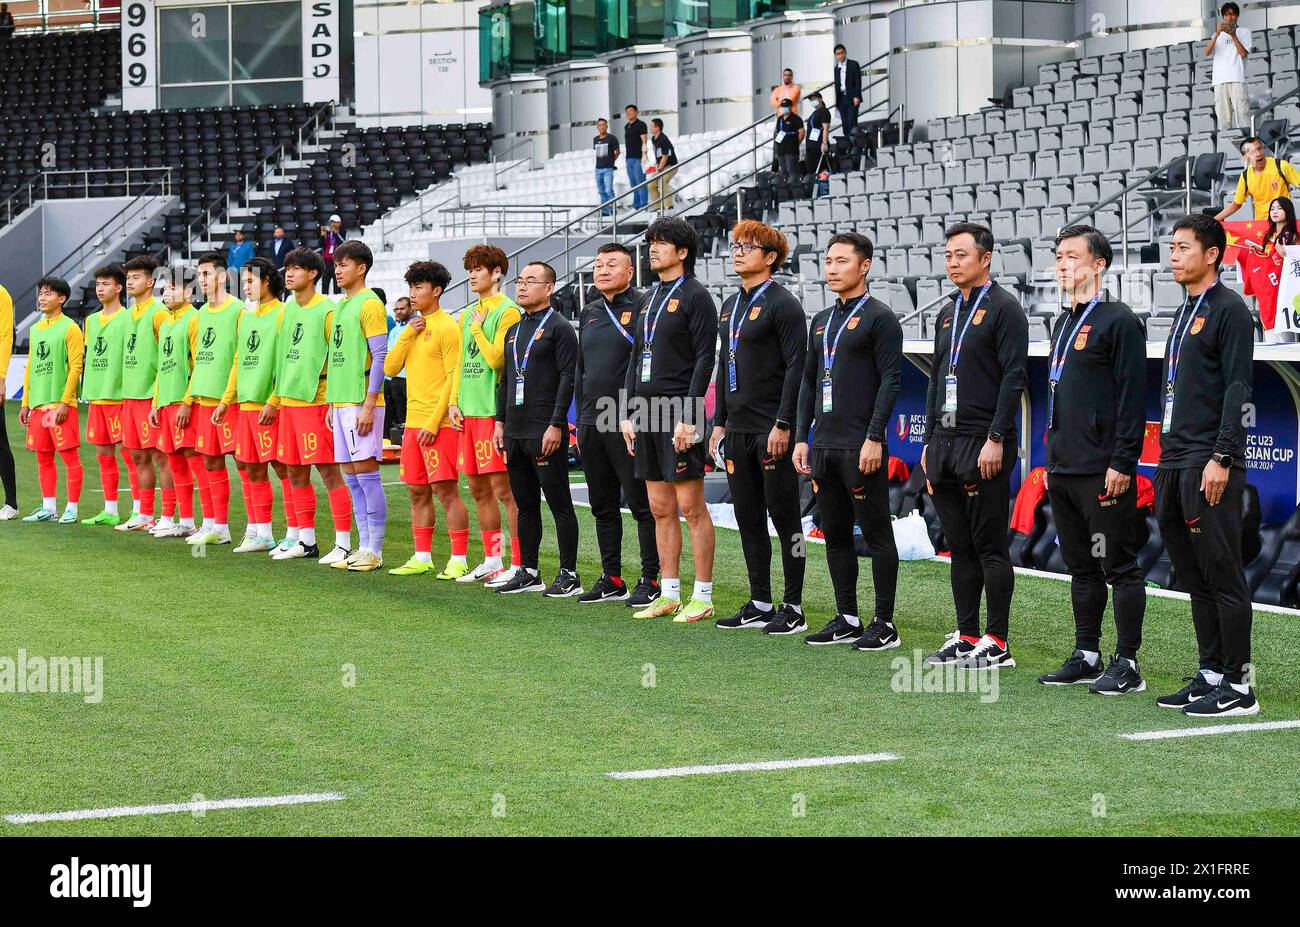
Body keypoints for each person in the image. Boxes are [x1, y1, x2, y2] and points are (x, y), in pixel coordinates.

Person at [1153, 214, 1259, 718]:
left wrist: (1223, 456)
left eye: (1182, 247)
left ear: (1212, 254)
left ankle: (1241, 685)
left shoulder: (1230, 311)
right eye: (1171, 247)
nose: (1173, 255)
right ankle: (1212, 671)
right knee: (1193, 573)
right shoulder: (1183, 311)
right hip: (1175, 457)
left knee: (1222, 571)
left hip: (1209, 460)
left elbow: (1239, 389)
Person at [1036, 225, 1148, 694]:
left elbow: (1131, 399)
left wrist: (1123, 462)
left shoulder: (1119, 320)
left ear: (1098, 264)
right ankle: (1087, 653)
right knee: (1081, 567)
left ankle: (1127, 662)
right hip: (1064, 465)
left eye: (1073, 257)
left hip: (1103, 468)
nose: (1063, 264)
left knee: (1118, 566)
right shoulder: (1064, 321)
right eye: (1059, 256)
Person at [921, 223, 1028, 669]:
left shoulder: (1005, 309)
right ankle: (966, 634)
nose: (952, 262)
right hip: (944, 442)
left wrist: (997, 437)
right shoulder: (948, 312)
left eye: (961, 255)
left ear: (985, 258)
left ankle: (997, 640)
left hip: (982, 441)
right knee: (958, 544)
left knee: (989, 546)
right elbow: (936, 379)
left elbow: (1013, 377)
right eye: (948, 255)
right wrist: (928, 441)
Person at [792, 233, 902, 647]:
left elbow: (891, 380)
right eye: (828, 261)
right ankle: (847, 616)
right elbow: (807, 381)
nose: (832, 268)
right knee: (834, 533)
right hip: (824, 445)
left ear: (865, 266)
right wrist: (802, 437)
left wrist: (875, 437)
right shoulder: (820, 321)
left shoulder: (880, 318)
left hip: (861, 445)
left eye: (841, 261)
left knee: (875, 535)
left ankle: (885, 623)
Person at [709, 221, 808, 632]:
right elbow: (723, 362)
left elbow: (796, 368)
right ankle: (761, 600)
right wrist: (718, 422)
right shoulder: (731, 305)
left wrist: (785, 423)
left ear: (770, 257)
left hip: (772, 429)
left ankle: (794, 606)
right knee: (748, 518)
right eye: (734, 245)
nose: (737, 252)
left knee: (786, 521)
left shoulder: (784, 304)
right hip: (737, 430)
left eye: (747, 246)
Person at [620, 217, 718, 622]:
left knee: (691, 506)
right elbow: (635, 354)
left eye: (661, 243)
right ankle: (670, 591)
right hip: (645, 412)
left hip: (680, 411)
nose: (653, 249)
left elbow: (704, 358)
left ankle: (705, 594)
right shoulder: (647, 298)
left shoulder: (697, 297)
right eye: (651, 243)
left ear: (682, 252)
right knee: (659, 507)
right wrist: (626, 411)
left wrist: (691, 415)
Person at [575, 243, 660, 606]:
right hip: (592, 417)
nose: (603, 270)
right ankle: (612, 577)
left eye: (612, 264)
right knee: (602, 503)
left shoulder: (643, 306)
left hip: (625, 415)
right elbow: (581, 370)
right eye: (598, 264)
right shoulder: (590, 311)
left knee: (641, 503)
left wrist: (636, 414)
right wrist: (576, 420)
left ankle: (652, 578)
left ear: (630, 272)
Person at [493, 261, 582, 596]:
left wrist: (557, 424)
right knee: (524, 503)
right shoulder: (514, 330)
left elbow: (567, 378)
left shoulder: (560, 328)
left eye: (531, 281)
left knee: (559, 503)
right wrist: (500, 420)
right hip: (515, 430)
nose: (522, 286)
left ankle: (569, 573)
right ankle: (529, 570)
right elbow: (505, 379)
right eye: (520, 280)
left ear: (549, 288)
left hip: (544, 430)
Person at [269, 247, 350, 562]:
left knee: (330, 473)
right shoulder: (287, 310)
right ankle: (306, 541)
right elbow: (283, 359)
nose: (289, 273)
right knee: (294, 473)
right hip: (288, 404)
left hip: (316, 403)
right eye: (287, 268)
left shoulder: (328, 310)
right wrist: (275, 401)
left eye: (296, 268)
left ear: (313, 274)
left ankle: (343, 543)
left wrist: (332, 401)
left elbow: (336, 359)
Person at [385, 261, 465, 577]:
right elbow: (390, 370)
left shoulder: (447, 326)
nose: (413, 294)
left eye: (419, 287)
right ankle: (422, 556)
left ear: (436, 291)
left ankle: (459, 558)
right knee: (416, 490)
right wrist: (406, 334)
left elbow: (452, 376)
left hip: (439, 423)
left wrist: (434, 422)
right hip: (413, 422)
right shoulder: (411, 328)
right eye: (411, 288)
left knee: (445, 491)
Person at [450, 244, 524, 585]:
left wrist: (479, 329)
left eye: (478, 268)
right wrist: (454, 402)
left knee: (505, 491)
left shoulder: (508, 312)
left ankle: (520, 562)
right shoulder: (468, 313)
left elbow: (498, 361)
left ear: (497, 272)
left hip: (492, 411)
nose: (472, 274)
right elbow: (459, 365)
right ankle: (493, 558)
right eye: (469, 269)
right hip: (468, 412)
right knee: (478, 490)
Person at [213, 257, 289, 553]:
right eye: (243, 282)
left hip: (270, 406)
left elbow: (285, 362)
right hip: (244, 405)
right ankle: (262, 533)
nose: (245, 288)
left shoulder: (283, 314)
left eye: (249, 281)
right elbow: (238, 360)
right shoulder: (245, 316)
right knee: (251, 469)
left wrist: (274, 399)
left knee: (285, 470)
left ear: (267, 280)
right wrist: (226, 400)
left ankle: (296, 533)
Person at [325, 239, 388, 571]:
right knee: (351, 477)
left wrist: (369, 402)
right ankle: (362, 547)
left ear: (361, 268)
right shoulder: (342, 306)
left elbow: (379, 355)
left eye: (344, 264)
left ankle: (374, 550)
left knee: (367, 475)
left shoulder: (370, 303)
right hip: (341, 401)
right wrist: (331, 403)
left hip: (362, 402)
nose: (337, 270)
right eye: (336, 264)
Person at [185, 252, 246, 548]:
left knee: (247, 464)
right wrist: (193, 396)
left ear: (223, 276)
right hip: (205, 399)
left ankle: (259, 528)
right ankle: (216, 525)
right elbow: (198, 359)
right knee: (209, 462)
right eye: (199, 275)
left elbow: (241, 356)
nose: (202, 280)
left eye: (207, 274)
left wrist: (229, 396)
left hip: (230, 401)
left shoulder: (239, 310)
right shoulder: (201, 313)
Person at [148, 266, 207, 540]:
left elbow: (199, 365)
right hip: (166, 403)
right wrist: (155, 404)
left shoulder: (194, 319)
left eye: (173, 288)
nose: (166, 293)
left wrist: (187, 401)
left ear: (190, 291)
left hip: (186, 404)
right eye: (165, 288)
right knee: (174, 462)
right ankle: (185, 521)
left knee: (195, 461)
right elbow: (163, 367)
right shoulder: (167, 322)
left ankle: (211, 522)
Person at [18, 277, 83, 523]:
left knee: (69, 457)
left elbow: (76, 366)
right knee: (43, 457)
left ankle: (72, 508)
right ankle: (49, 508)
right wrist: (26, 402)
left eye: (48, 293)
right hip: (37, 405)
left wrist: (65, 402)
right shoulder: (36, 329)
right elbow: (31, 367)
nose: (42, 298)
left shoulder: (70, 328)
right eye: (41, 294)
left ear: (62, 298)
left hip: (59, 404)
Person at [113, 256, 171, 533]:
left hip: (151, 396)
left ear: (151, 281)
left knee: (161, 456)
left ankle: (169, 515)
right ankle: (144, 513)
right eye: (128, 278)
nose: (130, 282)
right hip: (130, 396)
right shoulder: (127, 315)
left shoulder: (159, 312)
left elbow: (167, 356)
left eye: (136, 277)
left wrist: (159, 396)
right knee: (137, 456)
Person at [78, 265, 132, 527]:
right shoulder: (90, 320)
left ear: (119, 288)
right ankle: (110, 510)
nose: (100, 289)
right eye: (98, 284)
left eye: (106, 284)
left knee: (131, 456)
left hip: (120, 397)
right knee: (103, 455)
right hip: (97, 397)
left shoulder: (128, 318)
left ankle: (139, 511)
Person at [1241, 196, 1298, 338]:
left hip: (1283, 285)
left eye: (1279, 208)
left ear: (1288, 211)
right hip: (1268, 286)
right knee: (1269, 318)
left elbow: (1290, 256)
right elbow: (1268, 256)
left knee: (1284, 325)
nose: (1275, 212)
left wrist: (1280, 250)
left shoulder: (1292, 235)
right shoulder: (1268, 235)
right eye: (1272, 209)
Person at [1214, 137, 1300, 222]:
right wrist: (1214, 220)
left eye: (1260, 148)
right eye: (1252, 152)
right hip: (1262, 225)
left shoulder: (1281, 166)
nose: (1258, 153)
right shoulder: (1245, 177)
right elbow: (1236, 204)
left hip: (1284, 222)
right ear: (1245, 157)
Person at [1206, 3, 1251, 131]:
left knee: (1243, 116)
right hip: (1219, 81)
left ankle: (1247, 145)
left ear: (1237, 16)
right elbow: (1207, 52)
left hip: (1237, 78)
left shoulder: (1244, 32)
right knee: (1223, 118)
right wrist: (1217, 34)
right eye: (1226, 15)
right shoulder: (1217, 35)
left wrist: (1233, 35)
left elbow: (1243, 53)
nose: (1229, 17)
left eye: (1232, 14)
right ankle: (1227, 146)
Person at [385, 296, 412, 441]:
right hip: (394, 378)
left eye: (402, 308)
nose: (399, 312)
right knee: (399, 415)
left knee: (410, 414)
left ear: (411, 308)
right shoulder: (395, 330)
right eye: (397, 309)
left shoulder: (415, 327)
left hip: (409, 377)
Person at [0, 281, 16, 520]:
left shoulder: (2, 294)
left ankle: (11, 503)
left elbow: (5, 336)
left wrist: (1, 376)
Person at [623, 105, 650, 211]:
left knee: (641, 182)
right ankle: (636, 205)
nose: (628, 113)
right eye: (627, 111)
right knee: (633, 183)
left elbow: (644, 141)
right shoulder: (626, 126)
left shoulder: (641, 125)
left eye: (631, 111)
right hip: (628, 157)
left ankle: (644, 205)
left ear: (636, 112)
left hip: (638, 157)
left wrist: (644, 154)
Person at [833, 44, 862, 139]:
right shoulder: (836, 69)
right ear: (835, 56)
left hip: (852, 97)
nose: (840, 55)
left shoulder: (853, 64)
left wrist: (857, 96)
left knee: (852, 121)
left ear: (845, 53)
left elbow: (858, 81)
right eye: (838, 54)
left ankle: (855, 142)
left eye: (841, 53)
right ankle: (847, 143)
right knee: (845, 122)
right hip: (841, 98)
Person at [649, 119, 678, 212]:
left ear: (657, 128)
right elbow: (658, 156)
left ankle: (669, 206)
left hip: (671, 166)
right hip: (661, 165)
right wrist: (654, 168)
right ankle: (658, 207)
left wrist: (659, 170)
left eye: (652, 126)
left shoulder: (663, 139)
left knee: (662, 181)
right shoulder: (654, 139)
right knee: (650, 185)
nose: (650, 127)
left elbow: (665, 157)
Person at [593, 118, 620, 218]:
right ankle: (605, 210)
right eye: (600, 125)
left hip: (608, 168)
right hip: (598, 168)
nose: (602, 127)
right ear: (597, 127)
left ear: (607, 126)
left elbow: (617, 151)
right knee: (601, 191)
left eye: (603, 125)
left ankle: (613, 210)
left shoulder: (612, 138)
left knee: (609, 190)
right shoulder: (595, 139)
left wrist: (612, 161)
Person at [774, 99, 805, 182]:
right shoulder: (779, 119)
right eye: (782, 107)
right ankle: (785, 189)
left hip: (791, 149)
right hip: (781, 149)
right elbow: (777, 132)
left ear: (791, 107)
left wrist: (797, 142)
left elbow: (801, 132)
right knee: (783, 171)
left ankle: (794, 187)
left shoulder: (796, 118)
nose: (784, 108)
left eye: (786, 106)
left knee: (791, 169)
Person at [804, 92, 832, 177]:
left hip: (819, 145)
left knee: (821, 169)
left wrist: (824, 143)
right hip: (810, 146)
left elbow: (825, 127)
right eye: (811, 100)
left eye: (814, 99)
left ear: (820, 99)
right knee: (811, 170)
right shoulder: (814, 113)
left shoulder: (824, 111)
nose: (812, 101)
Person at [320, 215, 344, 295]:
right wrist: (323, 236)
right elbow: (322, 245)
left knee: (336, 282)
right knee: (325, 282)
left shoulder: (342, 231)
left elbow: (343, 242)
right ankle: (324, 298)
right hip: (327, 260)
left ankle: (337, 297)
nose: (333, 224)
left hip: (336, 261)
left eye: (335, 222)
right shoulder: (328, 233)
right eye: (331, 222)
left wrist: (336, 233)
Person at [227, 230, 254, 297]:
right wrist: (228, 271)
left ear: (243, 236)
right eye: (236, 235)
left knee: (244, 290)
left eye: (240, 235)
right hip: (234, 271)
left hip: (244, 270)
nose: (238, 236)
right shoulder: (232, 247)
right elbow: (230, 260)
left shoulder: (248, 245)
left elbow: (251, 258)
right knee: (234, 290)